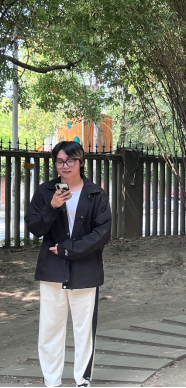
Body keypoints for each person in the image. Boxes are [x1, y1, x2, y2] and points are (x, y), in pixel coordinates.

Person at [25, 141, 112, 388]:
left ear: (81, 162)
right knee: (50, 329)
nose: (65, 166)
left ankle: (82, 380)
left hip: (86, 270)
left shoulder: (95, 193)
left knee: (84, 330)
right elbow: (34, 228)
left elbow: (103, 233)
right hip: (52, 270)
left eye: (70, 160)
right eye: (60, 161)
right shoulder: (45, 192)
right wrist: (52, 206)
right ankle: (51, 381)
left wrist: (68, 249)